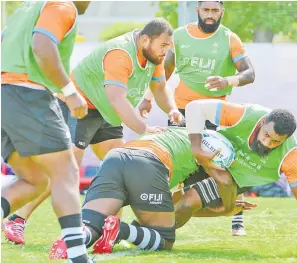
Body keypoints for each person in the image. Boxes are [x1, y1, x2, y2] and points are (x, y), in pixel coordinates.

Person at [3, 18, 184, 244]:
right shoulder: (121, 53)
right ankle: (16, 219)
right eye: (163, 46)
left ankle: (108, 234)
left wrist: (173, 110)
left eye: (169, 47)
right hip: (79, 107)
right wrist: (144, 128)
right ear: (145, 39)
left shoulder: (153, 54)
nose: (165, 52)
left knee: (121, 169)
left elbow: (159, 87)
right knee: (65, 171)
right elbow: (117, 99)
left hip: (106, 111)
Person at [138, 0, 255, 236]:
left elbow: (249, 73)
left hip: (217, 111)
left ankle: (237, 218)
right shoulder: (180, 36)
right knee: (177, 164)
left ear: (222, 11)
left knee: (227, 162)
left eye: (214, 10)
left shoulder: (229, 38)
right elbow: (165, 70)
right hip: (181, 111)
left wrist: (228, 81)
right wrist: (148, 97)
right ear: (198, 10)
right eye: (206, 10)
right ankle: (163, 215)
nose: (210, 15)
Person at [49, 126, 253, 259]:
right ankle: (120, 230)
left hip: (116, 157)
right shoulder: (203, 153)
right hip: (148, 163)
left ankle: (74, 240)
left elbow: (169, 207)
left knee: (92, 224)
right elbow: (178, 211)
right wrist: (226, 209)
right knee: (164, 238)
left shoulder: (180, 135)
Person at [1, 1, 94, 262]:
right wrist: (70, 91)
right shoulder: (63, 5)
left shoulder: (26, 8)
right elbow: (42, 46)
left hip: (5, 96)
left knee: (35, 180)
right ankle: (78, 257)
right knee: (66, 172)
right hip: (28, 95)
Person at [175, 99, 297, 258]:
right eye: (266, 135)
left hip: (235, 178)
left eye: (275, 142)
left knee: (186, 204)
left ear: (285, 140)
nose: (267, 143)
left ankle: (158, 236)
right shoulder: (246, 115)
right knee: (167, 200)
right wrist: (196, 148)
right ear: (263, 122)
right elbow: (194, 107)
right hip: (208, 156)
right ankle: (151, 224)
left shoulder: (290, 156)